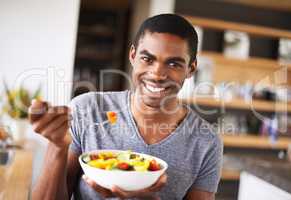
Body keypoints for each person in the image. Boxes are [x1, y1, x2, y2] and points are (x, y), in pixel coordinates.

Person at [29, 14, 223, 200]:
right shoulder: (87, 109)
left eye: (173, 64)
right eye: (147, 59)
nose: (157, 74)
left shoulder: (206, 142)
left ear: (191, 68)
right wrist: (58, 146)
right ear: (133, 55)